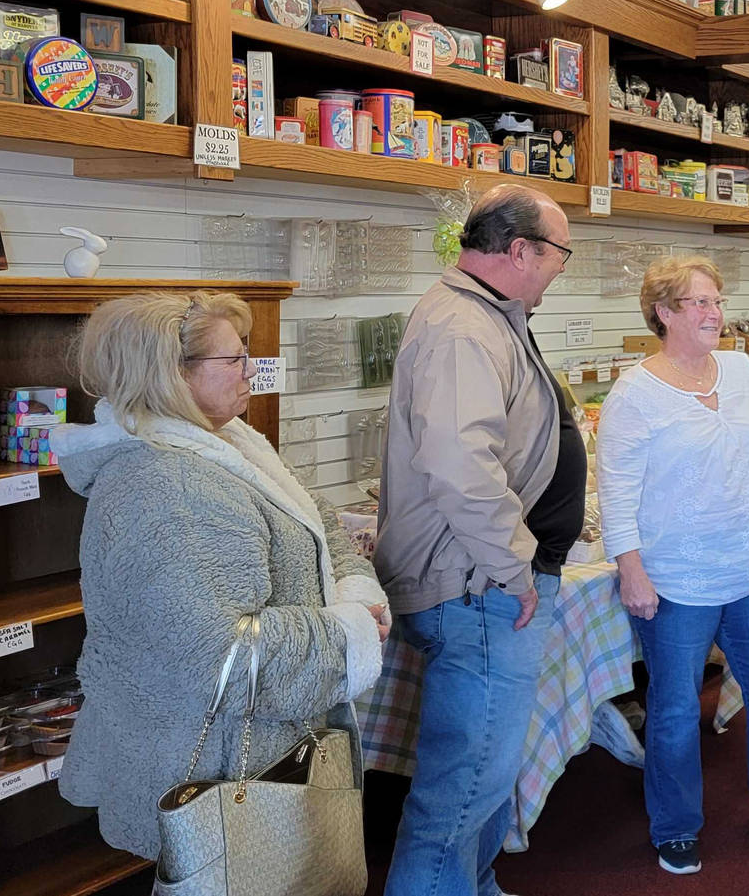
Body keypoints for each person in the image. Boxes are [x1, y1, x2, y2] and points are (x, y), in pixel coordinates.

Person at [52, 291, 389, 861]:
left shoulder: (230, 445)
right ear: (171, 376)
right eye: (233, 360)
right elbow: (222, 658)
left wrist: (356, 595)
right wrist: (350, 632)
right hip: (218, 769)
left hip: (255, 757)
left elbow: (320, 526)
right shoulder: (168, 486)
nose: (250, 371)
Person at [375, 184, 583, 896]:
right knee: (458, 796)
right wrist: (516, 566)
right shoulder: (464, 326)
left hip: (485, 584)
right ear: (520, 250)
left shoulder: (489, 314)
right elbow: (462, 467)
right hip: (480, 588)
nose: (562, 266)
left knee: (483, 782)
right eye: (560, 253)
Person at [598, 255, 749, 876]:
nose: (713, 313)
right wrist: (632, 570)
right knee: (673, 710)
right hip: (676, 581)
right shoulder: (634, 393)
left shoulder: (741, 367)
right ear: (664, 313)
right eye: (698, 302)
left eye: (716, 301)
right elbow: (616, 491)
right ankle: (674, 826)